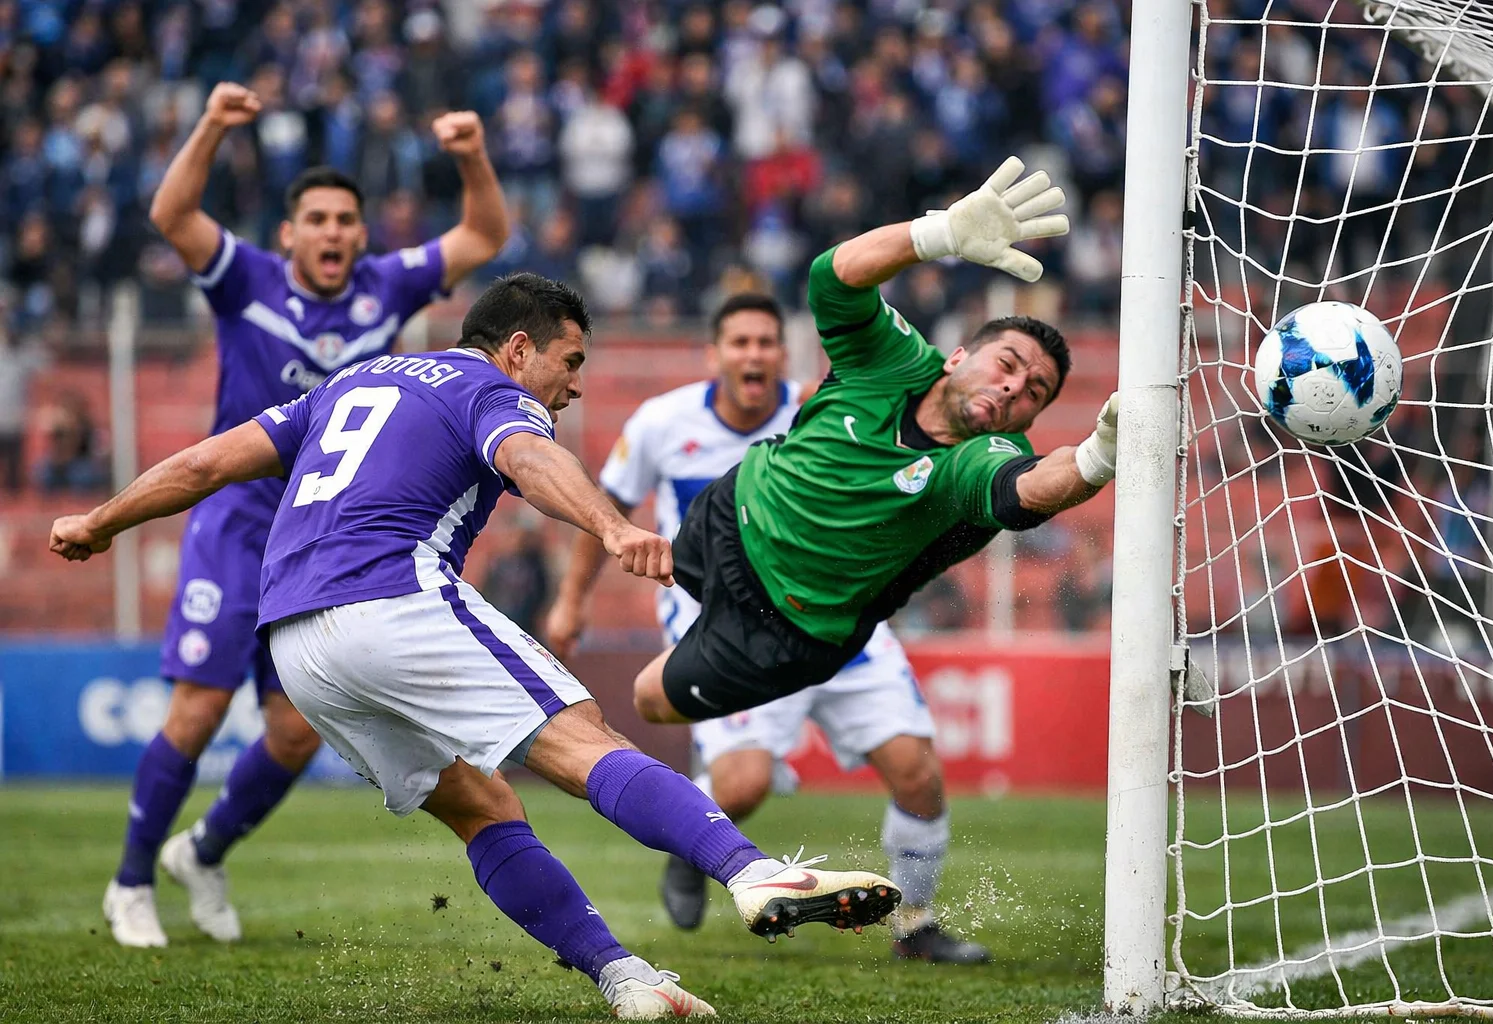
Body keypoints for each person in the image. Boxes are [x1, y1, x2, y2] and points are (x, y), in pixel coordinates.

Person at [50, 274, 901, 1020]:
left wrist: (99, 520)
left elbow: (206, 463)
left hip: (297, 645)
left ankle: (624, 977)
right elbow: (529, 456)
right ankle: (750, 871)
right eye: (570, 364)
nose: (571, 388)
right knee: (581, 738)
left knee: (481, 807)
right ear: (520, 347)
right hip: (391, 598)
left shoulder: (353, 380)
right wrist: (610, 524)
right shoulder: (489, 389)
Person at [104, 81, 509, 949]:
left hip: (320, 530)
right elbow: (173, 213)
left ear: (362, 233)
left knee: (293, 731)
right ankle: (130, 882)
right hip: (234, 520)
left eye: (345, 220)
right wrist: (212, 124)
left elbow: (484, 236)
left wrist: (470, 152)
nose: (332, 232)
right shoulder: (243, 274)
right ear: (288, 232)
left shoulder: (386, 287)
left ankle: (204, 852)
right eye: (316, 219)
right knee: (197, 712)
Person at [545, 292, 990, 963]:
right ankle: (696, 849)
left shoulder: (815, 407)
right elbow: (608, 506)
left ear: (784, 354)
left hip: (840, 622)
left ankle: (916, 925)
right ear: (714, 354)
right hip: (728, 631)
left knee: (917, 772)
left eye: (765, 343)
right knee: (745, 786)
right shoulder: (663, 422)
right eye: (740, 342)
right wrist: (572, 601)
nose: (753, 354)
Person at [629, 157, 1120, 725]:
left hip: (789, 626)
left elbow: (1033, 487)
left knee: (649, 702)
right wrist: (940, 234)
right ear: (958, 356)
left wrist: (1099, 455)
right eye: (1006, 364)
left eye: (1034, 391)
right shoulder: (894, 357)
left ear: (1027, 422)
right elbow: (832, 278)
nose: (1013, 387)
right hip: (727, 519)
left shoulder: (978, 463)